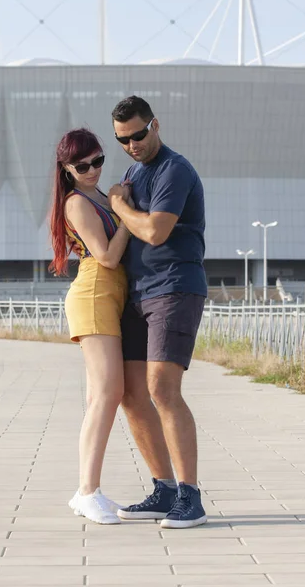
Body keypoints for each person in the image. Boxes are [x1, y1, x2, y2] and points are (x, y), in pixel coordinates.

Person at [108, 96, 208, 529]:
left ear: (155, 125)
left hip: (174, 288)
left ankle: (191, 498)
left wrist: (119, 206)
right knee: (131, 395)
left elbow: (153, 230)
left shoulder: (175, 169)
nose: (131, 144)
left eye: (138, 135)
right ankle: (165, 489)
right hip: (138, 294)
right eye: (122, 140)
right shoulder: (134, 171)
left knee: (162, 390)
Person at [49, 128, 131, 525]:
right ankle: (87, 492)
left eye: (98, 160)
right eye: (82, 165)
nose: (93, 170)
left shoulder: (98, 195)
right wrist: (130, 218)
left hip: (111, 296)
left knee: (103, 395)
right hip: (95, 292)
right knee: (107, 394)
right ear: (66, 169)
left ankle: (87, 489)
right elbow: (107, 257)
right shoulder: (77, 203)